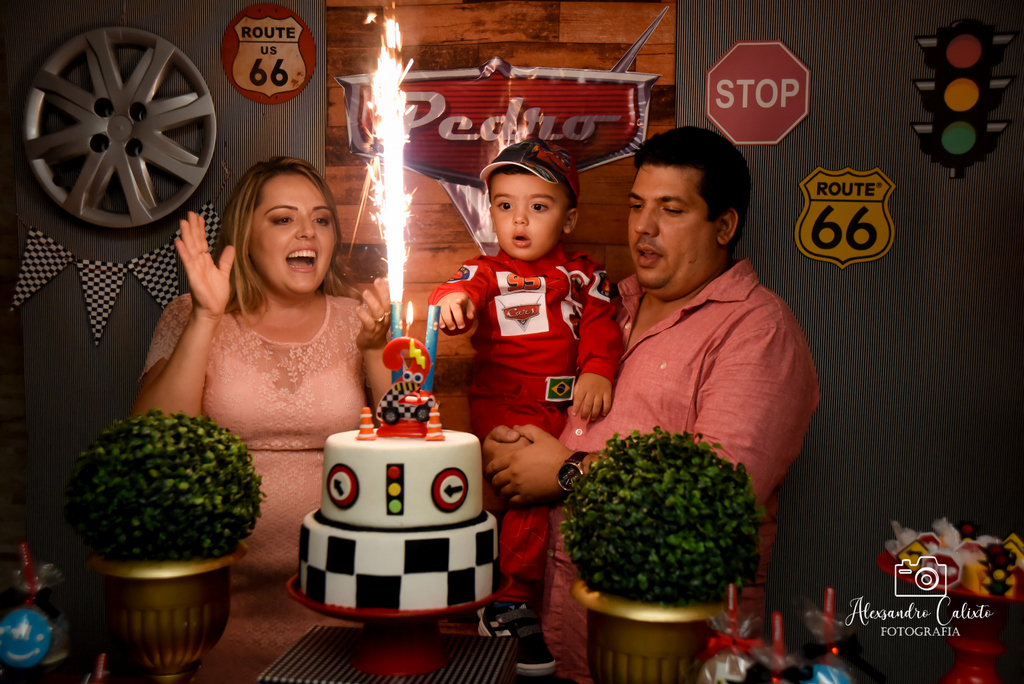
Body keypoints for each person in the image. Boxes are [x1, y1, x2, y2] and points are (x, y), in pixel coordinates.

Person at [483, 127, 820, 684]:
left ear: (724, 226)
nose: (644, 226)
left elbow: (718, 492)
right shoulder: (606, 304)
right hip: (560, 635)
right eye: (637, 205)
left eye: (671, 209)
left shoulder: (758, 331)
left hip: (673, 650)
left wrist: (566, 472)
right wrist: (511, 442)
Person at [131, 157, 392, 683]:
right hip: (219, 595)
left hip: (341, 591)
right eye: (283, 218)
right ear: (245, 236)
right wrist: (206, 317)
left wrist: (375, 351)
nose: (307, 232)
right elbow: (153, 440)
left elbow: (408, 449)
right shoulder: (189, 312)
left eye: (321, 219)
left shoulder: (359, 318)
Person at [428, 139, 623, 677]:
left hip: (567, 404)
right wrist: (453, 304)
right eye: (505, 204)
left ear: (568, 218)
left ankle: (535, 599)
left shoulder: (584, 275)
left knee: (560, 486)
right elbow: (456, 290)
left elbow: (603, 323)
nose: (519, 219)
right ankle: (509, 601)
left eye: (538, 206)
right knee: (528, 486)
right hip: (506, 401)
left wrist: (597, 368)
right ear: (490, 212)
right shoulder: (487, 271)